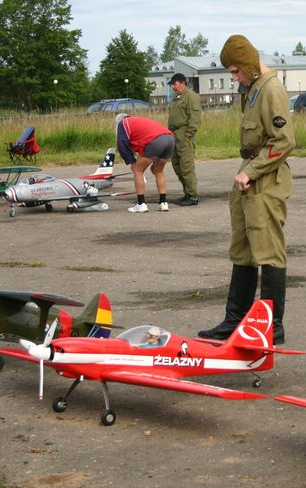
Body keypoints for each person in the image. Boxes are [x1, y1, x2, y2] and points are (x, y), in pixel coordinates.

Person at [198, 35, 295, 344]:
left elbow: (284, 142)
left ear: (250, 65)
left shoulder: (271, 90)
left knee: (268, 251)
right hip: (249, 178)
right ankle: (235, 320)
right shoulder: (253, 90)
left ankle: (271, 326)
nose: (233, 76)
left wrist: (252, 171)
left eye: (235, 70)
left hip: (265, 180)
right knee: (242, 249)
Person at [115, 113, 175, 213]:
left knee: (137, 170)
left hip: (155, 141)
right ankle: (163, 203)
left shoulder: (122, 123)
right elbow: (143, 140)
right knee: (158, 171)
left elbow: (122, 144)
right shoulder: (137, 120)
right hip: (169, 139)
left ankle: (141, 204)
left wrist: (131, 162)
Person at [167, 73, 202, 206]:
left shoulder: (191, 97)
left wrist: (188, 135)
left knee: (186, 166)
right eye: (172, 85)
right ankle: (187, 193)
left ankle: (192, 196)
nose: (173, 87)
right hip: (174, 135)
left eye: (174, 84)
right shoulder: (177, 98)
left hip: (184, 135)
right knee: (177, 165)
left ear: (182, 83)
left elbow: (195, 118)